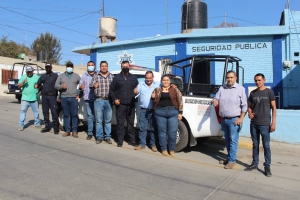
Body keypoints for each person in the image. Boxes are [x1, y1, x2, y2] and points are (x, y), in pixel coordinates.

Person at [213, 70, 247, 169]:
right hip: (224, 119)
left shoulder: (240, 89)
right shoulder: (222, 88)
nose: (229, 79)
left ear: (235, 78)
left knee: (233, 140)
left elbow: (244, 105)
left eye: (231, 77)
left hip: (234, 120)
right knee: (227, 140)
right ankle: (229, 158)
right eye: (228, 77)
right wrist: (215, 101)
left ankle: (232, 161)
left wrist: (241, 118)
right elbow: (216, 98)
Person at [244, 73, 276, 177]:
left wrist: (273, 123)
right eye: (256, 81)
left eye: (259, 80)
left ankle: (267, 166)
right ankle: (255, 163)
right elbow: (249, 106)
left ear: (264, 80)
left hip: (265, 124)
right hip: (254, 124)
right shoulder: (252, 93)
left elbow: (274, 108)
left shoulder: (269, 92)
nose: (257, 82)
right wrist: (249, 113)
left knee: (266, 146)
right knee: (255, 145)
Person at [151, 75, 183, 157]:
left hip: (173, 112)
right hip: (160, 112)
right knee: (162, 132)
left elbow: (180, 100)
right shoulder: (157, 89)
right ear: (161, 81)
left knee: (172, 132)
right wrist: (152, 97)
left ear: (170, 81)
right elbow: (153, 101)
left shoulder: (175, 89)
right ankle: (164, 149)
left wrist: (180, 113)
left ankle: (172, 149)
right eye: (164, 80)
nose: (165, 81)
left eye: (167, 80)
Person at [109, 60, 139, 147]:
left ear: (129, 67)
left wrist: (136, 90)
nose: (125, 68)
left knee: (130, 123)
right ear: (121, 67)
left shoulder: (133, 77)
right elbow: (112, 90)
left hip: (131, 104)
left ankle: (132, 140)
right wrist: (114, 99)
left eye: (127, 66)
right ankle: (120, 140)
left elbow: (138, 87)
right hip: (120, 105)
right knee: (120, 123)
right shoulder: (117, 77)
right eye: (123, 66)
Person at [133, 71, 160, 152]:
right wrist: (135, 89)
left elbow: (166, 87)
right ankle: (142, 144)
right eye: (147, 78)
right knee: (142, 128)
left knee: (153, 128)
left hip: (154, 110)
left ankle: (153, 145)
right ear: (145, 77)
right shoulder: (141, 84)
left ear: (153, 77)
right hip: (143, 110)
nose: (148, 79)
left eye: (150, 78)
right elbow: (135, 92)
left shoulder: (158, 84)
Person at [89, 61, 114, 144]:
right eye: (102, 66)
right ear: (100, 67)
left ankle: (107, 137)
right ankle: (99, 137)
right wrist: (94, 85)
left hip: (108, 100)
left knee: (108, 120)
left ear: (107, 67)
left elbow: (115, 88)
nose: (104, 67)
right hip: (98, 100)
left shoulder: (111, 76)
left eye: (105, 66)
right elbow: (90, 85)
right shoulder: (96, 76)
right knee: (99, 120)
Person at [55, 62, 81, 138]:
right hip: (64, 98)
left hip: (74, 98)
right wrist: (61, 86)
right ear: (66, 67)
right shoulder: (61, 76)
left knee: (74, 115)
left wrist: (79, 94)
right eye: (68, 66)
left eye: (71, 67)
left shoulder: (76, 76)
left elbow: (82, 85)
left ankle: (75, 131)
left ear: (73, 68)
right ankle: (67, 131)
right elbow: (56, 86)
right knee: (66, 115)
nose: (69, 68)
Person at [35, 63, 59, 134]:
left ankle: (55, 127)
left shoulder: (55, 76)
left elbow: (59, 84)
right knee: (45, 111)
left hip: (52, 96)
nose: (48, 68)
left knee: (54, 112)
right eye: (46, 67)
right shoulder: (43, 76)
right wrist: (37, 86)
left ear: (51, 68)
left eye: (49, 67)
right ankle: (47, 126)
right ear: (45, 68)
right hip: (44, 96)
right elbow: (38, 84)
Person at [17, 66, 41, 130]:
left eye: (30, 72)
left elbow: (41, 85)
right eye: (28, 72)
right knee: (23, 111)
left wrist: (38, 86)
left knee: (36, 112)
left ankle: (37, 123)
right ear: (26, 72)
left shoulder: (37, 77)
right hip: (25, 98)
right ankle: (21, 125)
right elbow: (19, 86)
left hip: (34, 98)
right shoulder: (23, 77)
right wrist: (23, 82)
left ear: (32, 71)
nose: (29, 73)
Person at [79, 61, 97, 140]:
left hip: (97, 98)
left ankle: (98, 133)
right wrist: (81, 86)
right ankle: (90, 133)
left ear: (94, 66)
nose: (90, 66)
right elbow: (80, 84)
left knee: (97, 117)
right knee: (90, 116)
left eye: (92, 65)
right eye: (89, 65)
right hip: (87, 98)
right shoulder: (84, 75)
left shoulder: (98, 74)